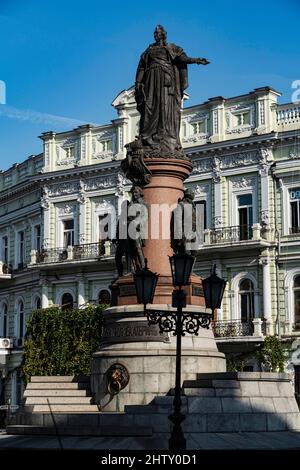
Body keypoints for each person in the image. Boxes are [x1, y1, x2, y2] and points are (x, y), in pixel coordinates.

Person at [135, 25, 209, 157]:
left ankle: (165, 135)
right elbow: (141, 68)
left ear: (164, 34)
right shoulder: (149, 50)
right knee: (149, 106)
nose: (155, 34)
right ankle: (148, 137)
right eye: (154, 33)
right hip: (151, 80)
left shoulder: (171, 48)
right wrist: (138, 82)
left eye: (158, 32)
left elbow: (181, 59)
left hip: (166, 80)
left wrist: (196, 60)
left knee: (165, 107)